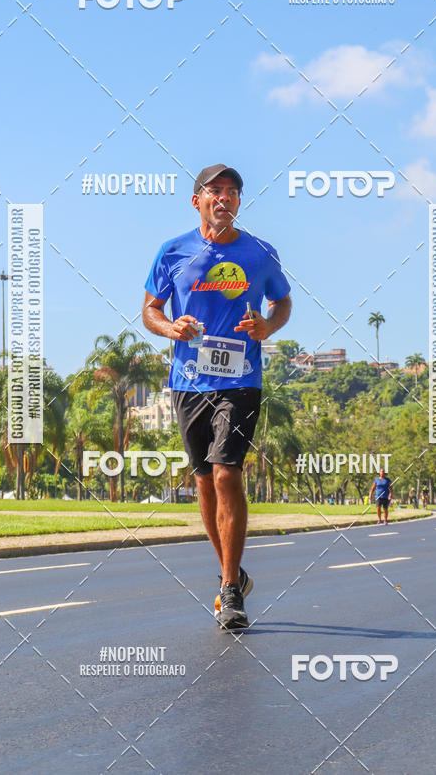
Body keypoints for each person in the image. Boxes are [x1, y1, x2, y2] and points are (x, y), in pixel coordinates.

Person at [142, 164, 292, 629]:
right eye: (215, 191)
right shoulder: (173, 252)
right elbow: (151, 309)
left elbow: (282, 300)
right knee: (204, 481)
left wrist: (268, 325)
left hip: (241, 378)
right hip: (189, 380)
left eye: (232, 192)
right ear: (197, 201)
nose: (224, 198)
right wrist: (171, 327)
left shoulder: (260, 253)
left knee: (227, 472)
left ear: (239, 203)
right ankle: (234, 571)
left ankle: (229, 592)